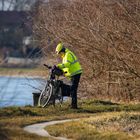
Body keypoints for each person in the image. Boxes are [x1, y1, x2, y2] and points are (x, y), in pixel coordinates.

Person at [55, 43, 82, 109]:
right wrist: (63, 71)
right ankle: (73, 104)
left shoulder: (68, 54)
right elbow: (66, 67)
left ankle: (74, 106)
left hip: (76, 73)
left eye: (60, 53)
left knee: (73, 89)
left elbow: (68, 64)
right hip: (73, 74)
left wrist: (59, 66)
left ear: (62, 50)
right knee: (72, 89)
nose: (60, 55)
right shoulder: (64, 56)